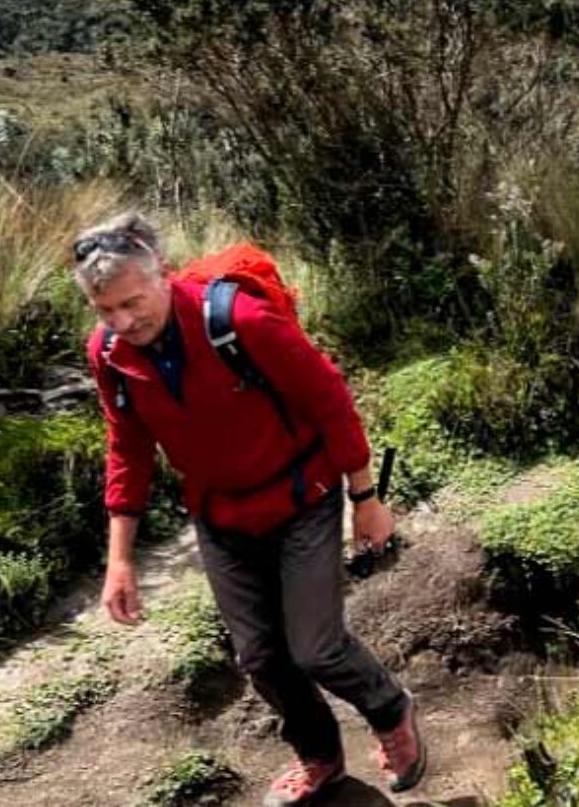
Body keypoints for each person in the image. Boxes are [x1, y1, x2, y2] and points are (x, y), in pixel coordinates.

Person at [74, 212, 427, 804]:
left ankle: (391, 711)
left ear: (162, 272)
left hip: (302, 496)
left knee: (315, 646)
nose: (124, 321)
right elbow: (127, 449)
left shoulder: (237, 320)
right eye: (106, 311)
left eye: (133, 303)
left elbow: (329, 400)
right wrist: (120, 560)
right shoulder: (110, 354)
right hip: (221, 515)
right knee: (260, 655)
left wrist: (365, 499)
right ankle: (319, 757)